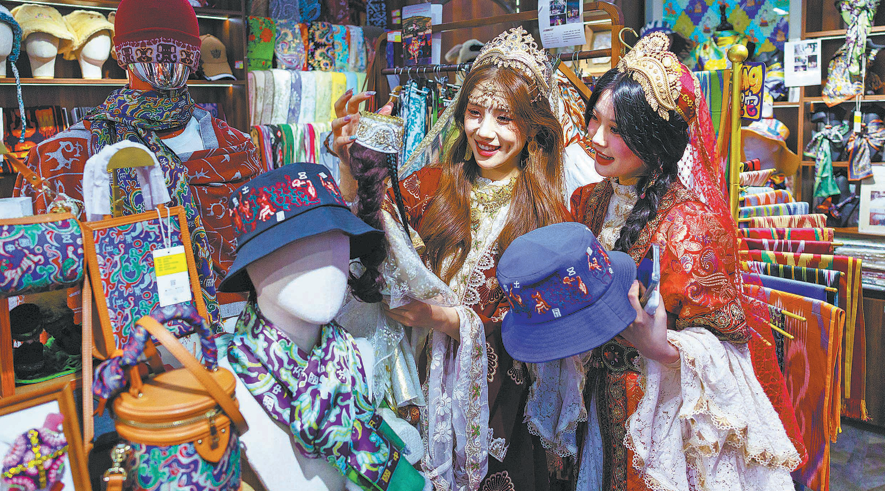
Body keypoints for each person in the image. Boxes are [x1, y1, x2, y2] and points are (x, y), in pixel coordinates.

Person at [332, 27, 571, 491]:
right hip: (418, 390)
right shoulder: (431, 185)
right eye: (475, 113)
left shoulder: (550, 218)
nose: (484, 131)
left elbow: (545, 334)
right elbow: (367, 242)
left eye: (504, 118)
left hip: (501, 414)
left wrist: (444, 319)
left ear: (533, 127)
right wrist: (350, 169)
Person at [566, 32, 805, 489]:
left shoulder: (689, 225)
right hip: (589, 399)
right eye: (594, 119)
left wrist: (658, 347)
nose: (594, 138)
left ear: (653, 139)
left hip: (655, 415)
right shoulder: (586, 201)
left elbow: (727, 347)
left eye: (615, 130)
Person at [12, 0, 264, 327]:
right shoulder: (59, 159)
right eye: (149, 52)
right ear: (123, 56)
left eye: (178, 52)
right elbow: (42, 284)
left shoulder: (237, 148)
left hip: (232, 331)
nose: (164, 64)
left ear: (193, 57)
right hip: (117, 342)